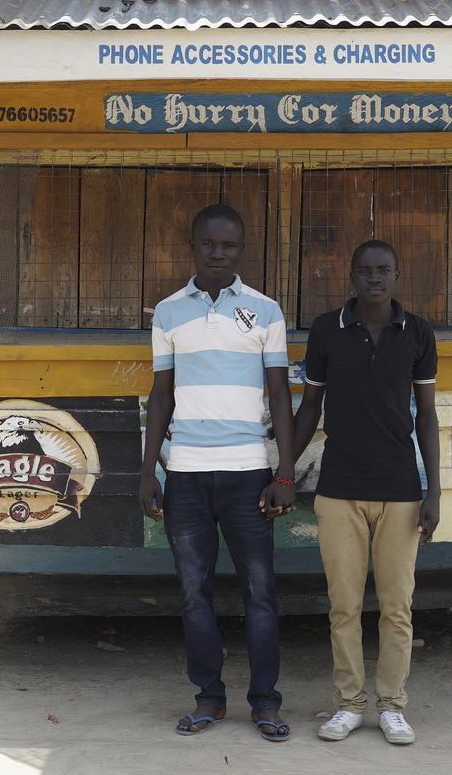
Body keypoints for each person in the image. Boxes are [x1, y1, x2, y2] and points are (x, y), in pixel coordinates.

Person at [138, 203, 297, 742]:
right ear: (193, 245)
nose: (218, 252)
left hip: (249, 472)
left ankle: (265, 703)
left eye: (229, 245)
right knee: (193, 594)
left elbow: (280, 392)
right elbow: (161, 396)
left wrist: (285, 472)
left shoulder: (265, 311)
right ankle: (208, 698)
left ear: (241, 249)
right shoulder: (167, 312)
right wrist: (147, 470)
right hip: (185, 474)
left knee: (260, 593)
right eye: (209, 243)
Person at [292, 239, 440, 745]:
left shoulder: (417, 332)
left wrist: (433, 490)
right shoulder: (326, 330)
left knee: (398, 607)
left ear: (397, 276)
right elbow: (310, 407)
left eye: (383, 271)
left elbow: (427, 415)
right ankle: (349, 704)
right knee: (344, 606)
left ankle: (392, 706)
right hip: (338, 489)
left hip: (400, 489)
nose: (374, 278)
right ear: (351, 277)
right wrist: (285, 471)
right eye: (364, 271)